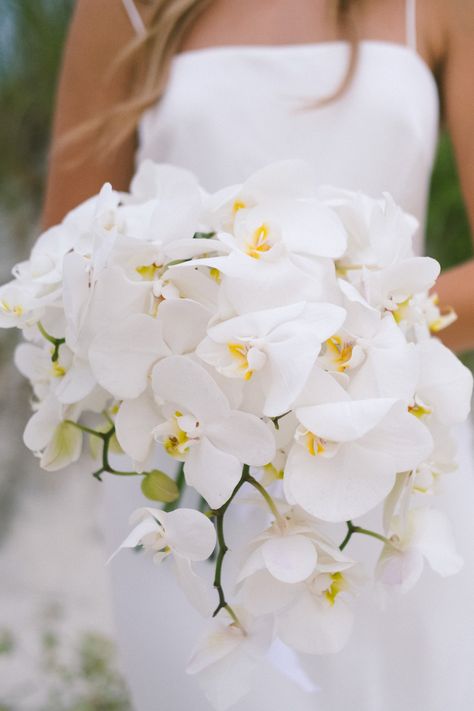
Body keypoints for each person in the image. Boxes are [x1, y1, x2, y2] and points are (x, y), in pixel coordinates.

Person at [42, 1, 474, 709]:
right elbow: (67, 260)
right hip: (193, 490)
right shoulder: (122, 8)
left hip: (391, 479)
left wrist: (343, 333)